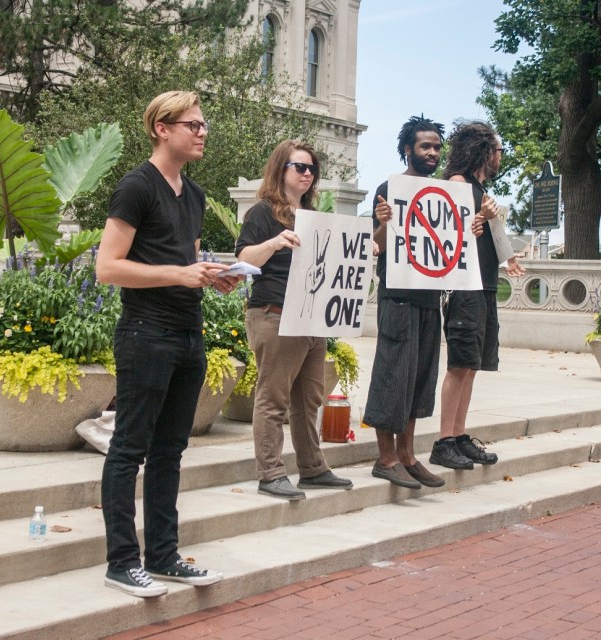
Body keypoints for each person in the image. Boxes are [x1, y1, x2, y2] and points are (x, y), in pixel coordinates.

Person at [97, 90, 238, 598]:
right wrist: (180, 273)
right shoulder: (136, 186)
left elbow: (188, 263)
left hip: (188, 332)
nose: (202, 133)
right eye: (193, 125)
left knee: (170, 452)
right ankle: (121, 561)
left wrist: (213, 276)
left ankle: (163, 556)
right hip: (144, 333)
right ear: (162, 127)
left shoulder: (194, 195)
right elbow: (107, 267)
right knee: (129, 448)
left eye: (204, 126)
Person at [235, 139, 353, 501]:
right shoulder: (262, 214)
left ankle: (313, 468)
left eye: (311, 169)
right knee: (274, 398)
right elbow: (244, 258)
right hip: (275, 313)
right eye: (299, 167)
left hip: (311, 317)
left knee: (310, 398)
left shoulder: (314, 216)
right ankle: (270, 472)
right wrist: (274, 242)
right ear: (280, 170)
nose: (307, 173)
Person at [362, 116, 456, 490]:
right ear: (407, 149)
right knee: (393, 375)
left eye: (436, 147)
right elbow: (376, 245)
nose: (432, 153)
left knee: (419, 378)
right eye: (425, 147)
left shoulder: (443, 194)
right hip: (398, 297)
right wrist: (383, 221)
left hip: (430, 298)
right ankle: (385, 458)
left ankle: (408, 455)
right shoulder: (390, 188)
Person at [430, 120, 524, 470]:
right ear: (482, 151)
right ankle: (443, 442)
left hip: (483, 284)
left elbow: (487, 232)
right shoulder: (457, 184)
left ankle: (459, 436)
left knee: (472, 365)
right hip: (464, 287)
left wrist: (509, 256)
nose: (500, 156)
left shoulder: (479, 189)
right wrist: (480, 215)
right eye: (498, 150)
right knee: (459, 364)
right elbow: (449, 235)